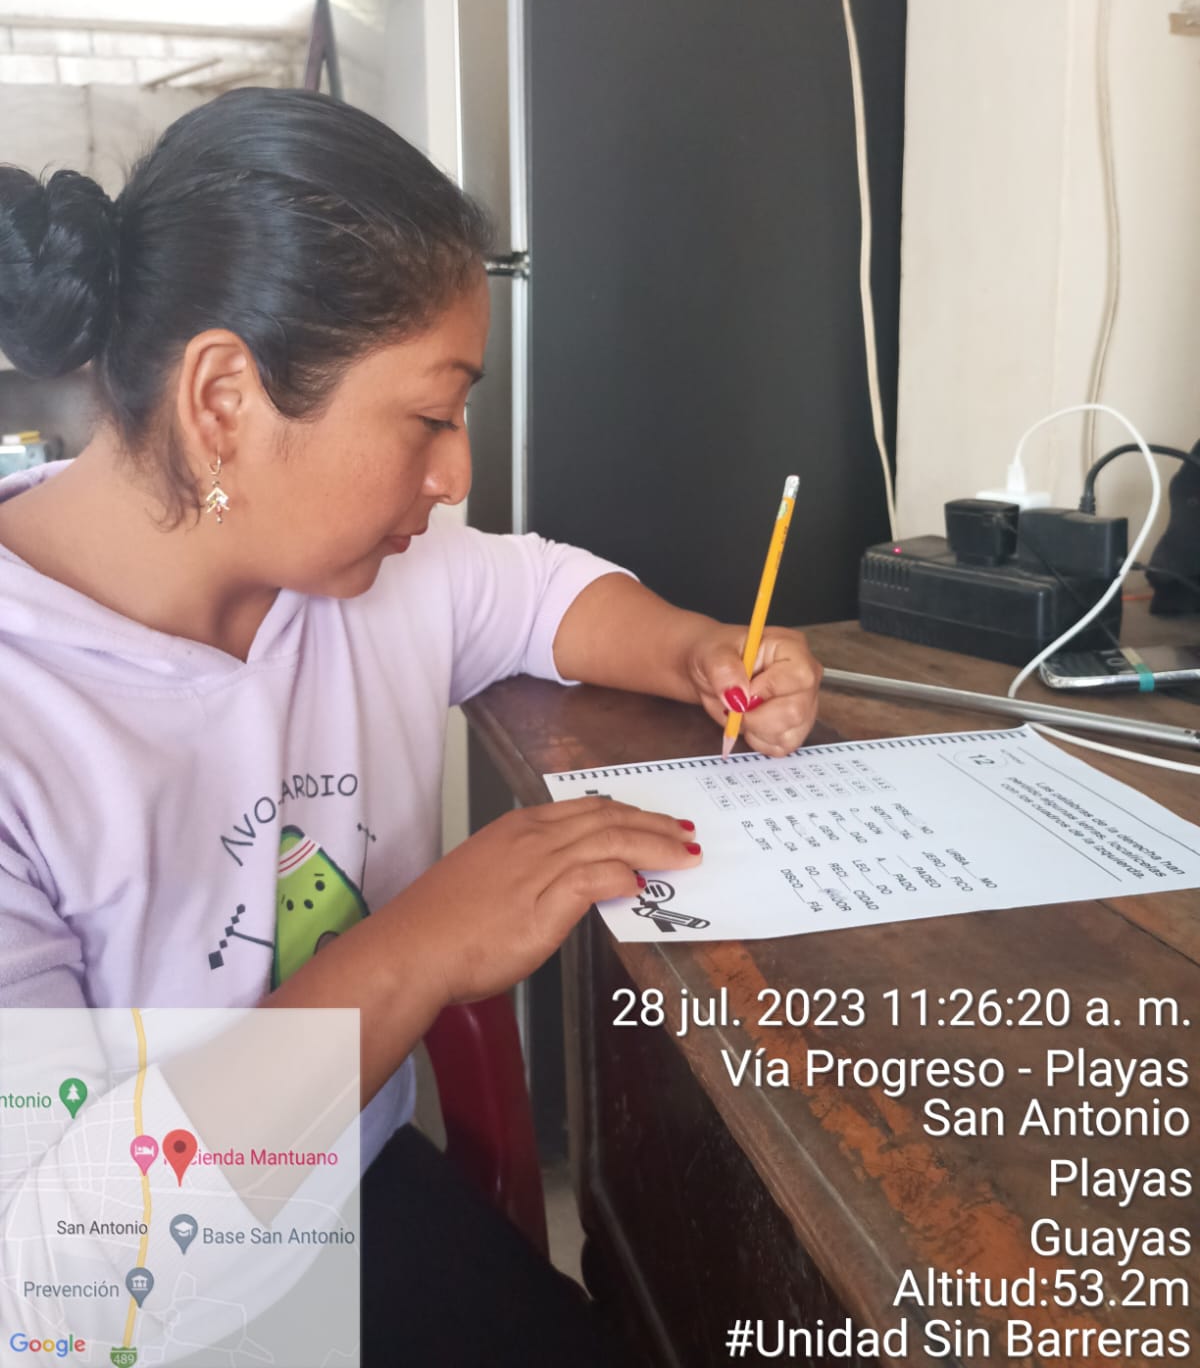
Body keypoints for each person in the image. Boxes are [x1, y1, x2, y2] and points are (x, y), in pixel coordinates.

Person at [0, 88, 822, 1366]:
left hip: (352, 1201)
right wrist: (420, 946)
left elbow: (540, 590)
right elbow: (48, 1277)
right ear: (224, 398)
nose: (456, 475)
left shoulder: (365, 578)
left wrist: (698, 650)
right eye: (431, 417)